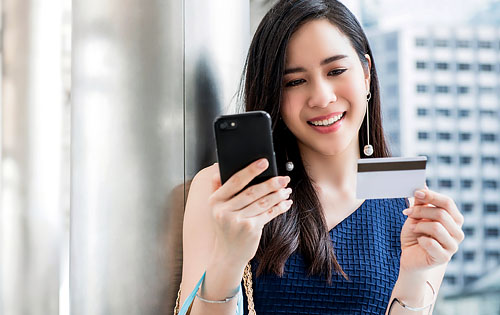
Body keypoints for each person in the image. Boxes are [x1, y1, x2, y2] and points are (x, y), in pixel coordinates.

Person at [176, 0, 465, 314]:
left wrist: (415, 275)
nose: (322, 97)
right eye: (295, 81)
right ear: (273, 93)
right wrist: (228, 260)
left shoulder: (407, 194)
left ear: (366, 74)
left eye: (336, 71)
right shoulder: (226, 190)